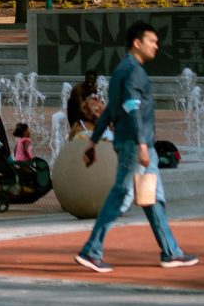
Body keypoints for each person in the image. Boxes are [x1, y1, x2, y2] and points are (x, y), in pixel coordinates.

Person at [75, 21, 195, 271]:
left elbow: (109, 110)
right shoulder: (134, 72)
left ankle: (171, 252)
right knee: (122, 195)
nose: (156, 46)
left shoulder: (120, 70)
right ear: (136, 43)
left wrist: (93, 142)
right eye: (152, 41)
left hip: (135, 143)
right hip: (135, 143)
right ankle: (91, 250)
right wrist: (141, 144)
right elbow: (131, 108)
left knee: (153, 198)